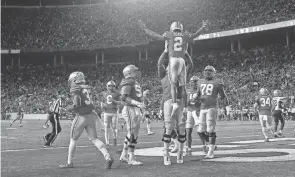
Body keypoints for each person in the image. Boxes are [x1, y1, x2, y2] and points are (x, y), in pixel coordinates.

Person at [139, 19, 207, 117]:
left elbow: (156, 36)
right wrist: (202, 28)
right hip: (182, 60)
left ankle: (175, 103)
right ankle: (185, 108)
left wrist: (145, 29)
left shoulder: (169, 34)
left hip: (173, 60)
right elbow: (195, 35)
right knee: (183, 86)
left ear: (172, 28)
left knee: (173, 84)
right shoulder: (184, 35)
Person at [59, 71, 113, 169]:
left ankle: (70, 162)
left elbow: (77, 103)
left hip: (81, 116)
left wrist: (69, 108)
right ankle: (107, 156)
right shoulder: (86, 88)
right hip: (91, 115)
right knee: (94, 139)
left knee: (73, 139)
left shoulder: (75, 88)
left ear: (74, 80)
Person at [196, 66, 229, 159]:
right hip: (202, 108)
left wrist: (227, 106)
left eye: (209, 71)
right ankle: (212, 145)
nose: (207, 73)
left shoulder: (217, 82)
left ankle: (211, 151)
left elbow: (223, 96)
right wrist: (196, 99)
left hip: (212, 108)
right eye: (206, 71)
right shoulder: (200, 82)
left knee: (210, 130)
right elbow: (198, 95)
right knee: (200, 131)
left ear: (214, 72)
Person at [119, 65, 145, 166]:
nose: (136, 73)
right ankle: (131, 158)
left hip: (135, 108)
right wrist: (137, 104)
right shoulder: (128, 81)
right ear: (129, 73)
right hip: (130, 108)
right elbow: (124, 97)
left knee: (132, 134)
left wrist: (142, 108)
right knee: (133, 133)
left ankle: (124, 155)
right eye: (134, 71)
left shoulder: (135, 82)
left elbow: (139, 98)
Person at [101, 81, 121, 146]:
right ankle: (107, 142)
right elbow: (102, 102)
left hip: (114, 112)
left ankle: (115, 139)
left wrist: (114, 101)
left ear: (114, 86)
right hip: (106, 112)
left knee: (114, 127)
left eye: (112, 86)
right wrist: (102, 105)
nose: (111, 87)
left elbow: (120, 102)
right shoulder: (104, 93)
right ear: (107, 86)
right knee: (106, 128)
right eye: (109, 86)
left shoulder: (117, 93)